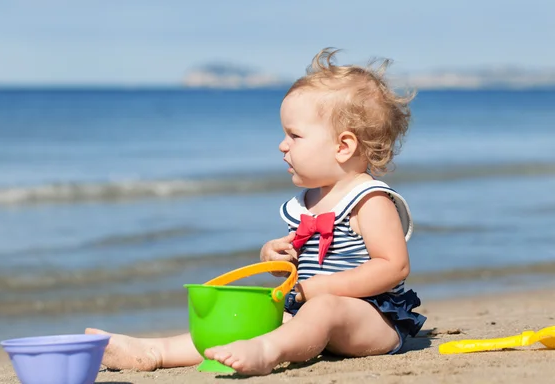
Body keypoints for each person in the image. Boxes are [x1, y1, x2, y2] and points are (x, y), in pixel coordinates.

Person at [86, 48, 426, 376]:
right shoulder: (306, 202)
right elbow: (305, 259)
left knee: (325, 308)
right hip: (309, 314)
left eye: (294, 135)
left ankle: (267, 353)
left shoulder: (369, 199)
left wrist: (324, 288)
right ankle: (156, 352)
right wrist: (277, 256)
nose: (282, 145)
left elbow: (393, 266)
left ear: (343, 146)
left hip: (373, 318)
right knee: (248, 320)